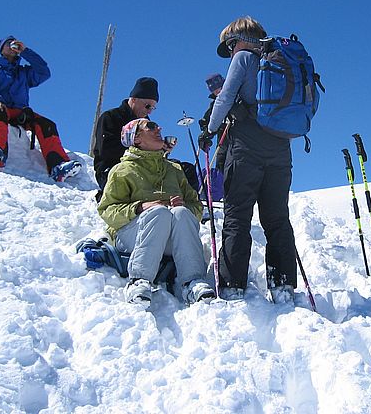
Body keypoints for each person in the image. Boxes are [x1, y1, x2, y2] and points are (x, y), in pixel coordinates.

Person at [199, 16, 296, 303]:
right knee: (277, 217)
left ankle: (232, 284)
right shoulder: (281, 59)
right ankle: (282, 285)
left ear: (241, 39)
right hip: (280, 147)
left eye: (230, 44)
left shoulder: (243, 57)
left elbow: (226, 96)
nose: (230, 51)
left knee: (238, 214)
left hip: (247, 146)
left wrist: (210, 129)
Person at [98, 118, 215, 305]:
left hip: (171, 238)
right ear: (136, 139)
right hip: (133, 237)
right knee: (158, 212)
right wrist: (139, 207)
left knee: (182, 214)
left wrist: (183, 206)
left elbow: (196, 206)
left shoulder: (174, 170)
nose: (158, 128)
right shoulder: (122, 171)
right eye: (150, 127)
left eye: (157, 125)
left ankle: (193, 281)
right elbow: (107, 210)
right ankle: (139, 280)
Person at [0, 36, 81, 182]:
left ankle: (58, 165)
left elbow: (44, 72)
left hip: (19, 111)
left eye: (14, 43)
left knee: (46, 124)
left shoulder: (23, 72)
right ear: (1, 49)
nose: (12, 46)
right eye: (8, 44)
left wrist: (26, 51)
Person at [92, 77, 160, 191]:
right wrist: (142, 149)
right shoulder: (110, 117)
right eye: (148, 106)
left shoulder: (148, 125)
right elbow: (106, 150)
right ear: (133, 99)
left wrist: (162, 149)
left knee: (183, 169)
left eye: (153, 108)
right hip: (114, 169)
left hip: (143, 169)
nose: (149, 111)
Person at [199, 73, 228, 169]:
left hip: (239, 137)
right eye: (214, 90)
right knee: (221, 162)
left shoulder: (234, 96)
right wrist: (205, 134)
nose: (217, 92)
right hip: (222, 139)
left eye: (219, 88)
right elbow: (207, 120)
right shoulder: (214, 105)